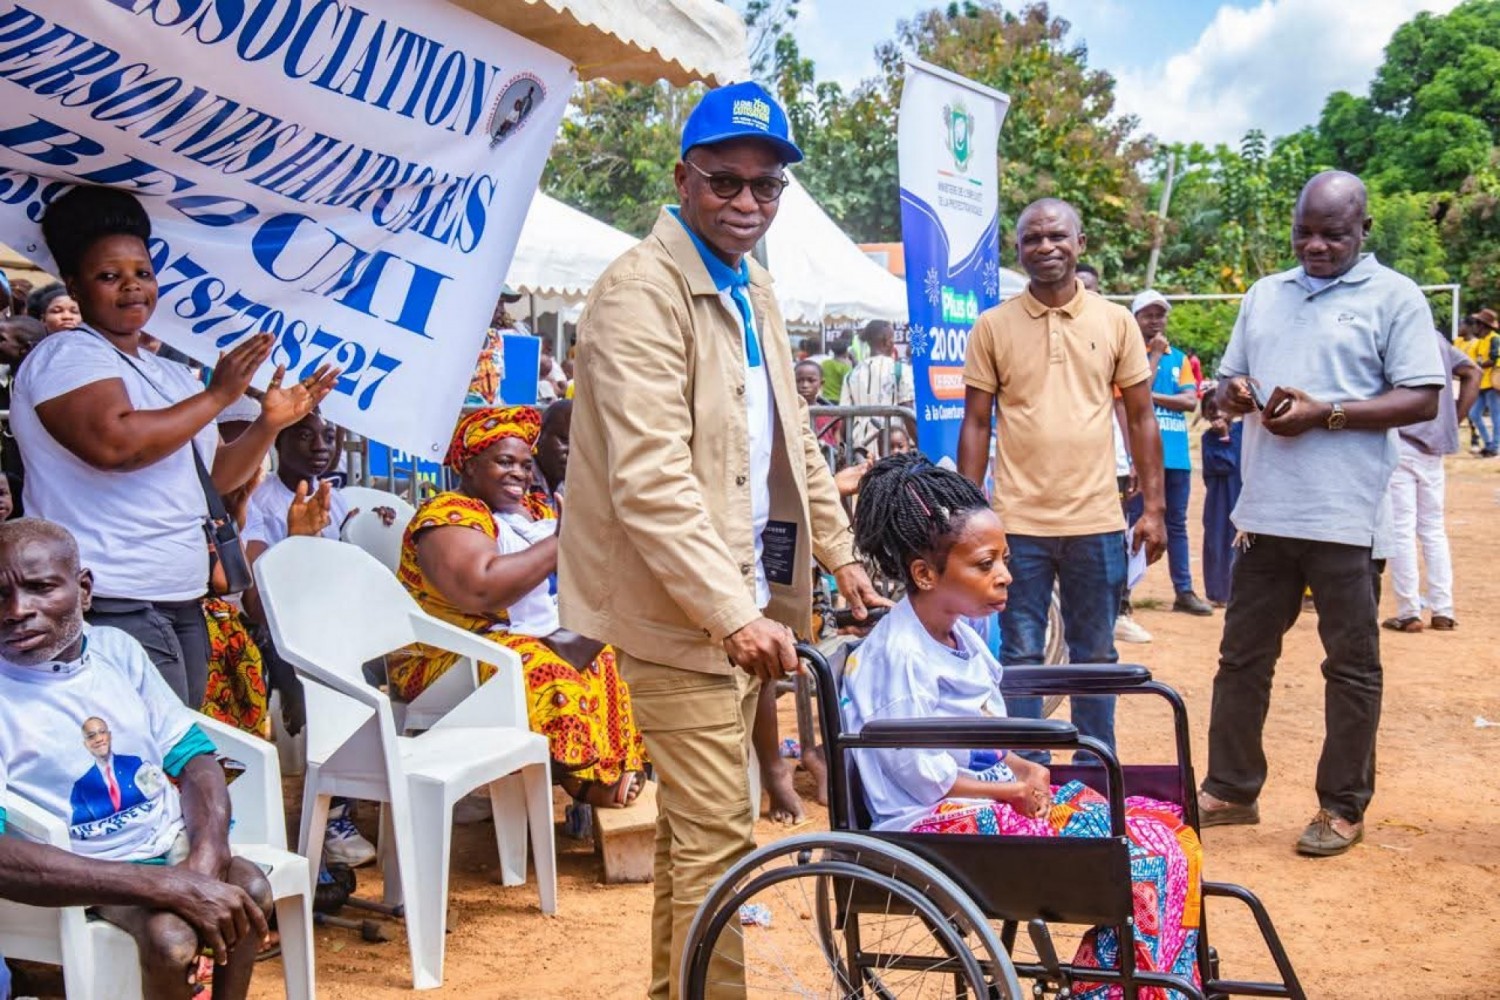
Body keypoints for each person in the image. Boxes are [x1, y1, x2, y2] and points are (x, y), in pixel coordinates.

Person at [559, 81, 883, 1000]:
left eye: (765, 186)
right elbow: (651, 480)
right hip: (678, 618)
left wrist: (841, 554)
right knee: (721, 846)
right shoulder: (638, 293)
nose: (747, 202)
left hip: (741, 604)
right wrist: (731, 613)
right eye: (725, 182)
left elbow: (795, 439)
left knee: (695, 841)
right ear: (683, 180)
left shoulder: (755, 290)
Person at [842, 455, 1202, 991]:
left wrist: (1019, 768)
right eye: (985, 564)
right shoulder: (901, 655)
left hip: (977, 803)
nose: (1005, 575)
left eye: (1004, 559)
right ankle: (1120, 988)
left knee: (1166, 826)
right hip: (927, 825)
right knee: (1144, 855)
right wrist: (1008, 789)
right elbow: (920, 773)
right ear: (925, 574)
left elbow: (973, 735)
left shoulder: (958, 633)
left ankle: (1136, 984)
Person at [9, 185, 336, 708]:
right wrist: (218, 395)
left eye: (142, 273)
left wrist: (269, 425)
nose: (132, 287)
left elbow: (215, 477)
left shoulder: (170, 375)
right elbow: (117, 444)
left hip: (179, 597)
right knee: (138, 747)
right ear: (74, 285)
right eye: (109, 276)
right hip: (112, 598)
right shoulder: (67, 355)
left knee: (175, 740)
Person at [1198, 171, 1445, 857]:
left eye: (1332, 234)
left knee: (1350, 667)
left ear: (1364, 229)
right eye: (1303, 232)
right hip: (1265, 513)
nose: (1315, 245)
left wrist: (1326, 413)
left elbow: (1422, 397)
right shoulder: (1264, 294)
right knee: (1242, 659)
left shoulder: (1395, 296)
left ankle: (1341, 807)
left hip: (1346, 517)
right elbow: (1227, 380)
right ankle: (1230, 790)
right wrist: (1233, 394)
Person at [0, 519, 272, 1000]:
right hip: (75, 875)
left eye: (41, 588)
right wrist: (164, 886)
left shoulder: (116, 650)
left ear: (84, 590)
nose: (17, 611)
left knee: (250, 890)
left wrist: (206, 858)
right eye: (0, 595)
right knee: (171, 939)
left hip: (162, 843)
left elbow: (194, 758)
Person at [958, 198, 1166, 754]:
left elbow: (1141, 417)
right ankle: (1027, 767)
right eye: (1032, 238)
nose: (1045, 247)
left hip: (1096, 521)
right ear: (1017, 250)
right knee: (1021, 654)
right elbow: (976, 421)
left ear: (1080, 244)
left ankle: (1097, 767)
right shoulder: (993, 326)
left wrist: (1154, 509)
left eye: (1057, 236)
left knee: (1095, 655)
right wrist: (967, 513)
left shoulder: (1115, 321)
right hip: (1017, 525)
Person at [394, 406, 648, 809]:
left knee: (608, 652)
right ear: (470, 465)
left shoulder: (532, 511)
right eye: (504, 462)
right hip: (446, 655)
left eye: (526, 465)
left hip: (518, 639)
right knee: (540, 669)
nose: (519, 473)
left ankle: (604, 767)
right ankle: (577, 777)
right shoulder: (447, 514)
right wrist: (561, 541)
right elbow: (482, 589)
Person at [1381, 331, 1481, 632]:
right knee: (1433, 529)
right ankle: (1443, 610)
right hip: (1433, 447)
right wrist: (1453, 420)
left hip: (1402, 441)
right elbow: (1473, 372)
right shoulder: (1436, 338)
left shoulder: (1396, 335)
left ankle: (1409, 612)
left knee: (1402, 529)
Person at [1130, 290, 1213, 615]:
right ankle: (1122, 595)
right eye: (1148, 315)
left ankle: (1184, 591)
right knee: (1131, 523)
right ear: (1135, 318)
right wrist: (1152, 356)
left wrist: (1151, 398)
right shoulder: (1130, 353)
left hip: (1176, 454)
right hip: (1140, 456)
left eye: (1160, 315)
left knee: (1176, 524)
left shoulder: (1178, 358)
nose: (1155, 321)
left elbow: (1190, 401)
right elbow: (1136, 391)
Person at [840, 319, 916, 456]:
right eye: (892, 339)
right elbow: (907, 412)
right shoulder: (900, 370)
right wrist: (920, 444)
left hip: (860, 449)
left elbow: (845, 418)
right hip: (893, 447)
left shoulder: (851, 375)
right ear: (887, 341)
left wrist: (846, 450)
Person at [1199, 386, 1243, 607]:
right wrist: (1223, 437)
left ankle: (1239, 591)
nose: (1217, 414)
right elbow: (1220, 465)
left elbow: (1235, 461)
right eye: (1211, 410)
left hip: (1239, 494)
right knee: (1216, 541)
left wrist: (1227, 437)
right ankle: (1218, 593)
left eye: (1221, 408)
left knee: (1240, 543)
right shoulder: (1208, 438)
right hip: (1218, 499)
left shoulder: (1243, 433)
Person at [1464, 308, 1499, 456]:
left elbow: (1493, 359)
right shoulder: (1480, 341)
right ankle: (1489, 444)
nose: (1475, 326)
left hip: (1493, 383)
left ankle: (1495, 447)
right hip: (1481, 383)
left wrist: (1477, 365)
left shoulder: (1494, 339)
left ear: (1483, 325)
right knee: (1473, 414)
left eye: (1477, 324)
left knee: (1496, 416)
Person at [531, 398, 570, 513]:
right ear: (539, 434)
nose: (572, 451)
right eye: (564, 440)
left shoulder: (576, 485)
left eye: (579, 445)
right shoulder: (519, 480)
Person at [820, 336, 853, 402]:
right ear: (846, 351)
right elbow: (850, 384)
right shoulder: (846, 367)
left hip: (824, 398)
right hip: (839, 399)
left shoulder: (824, 363)